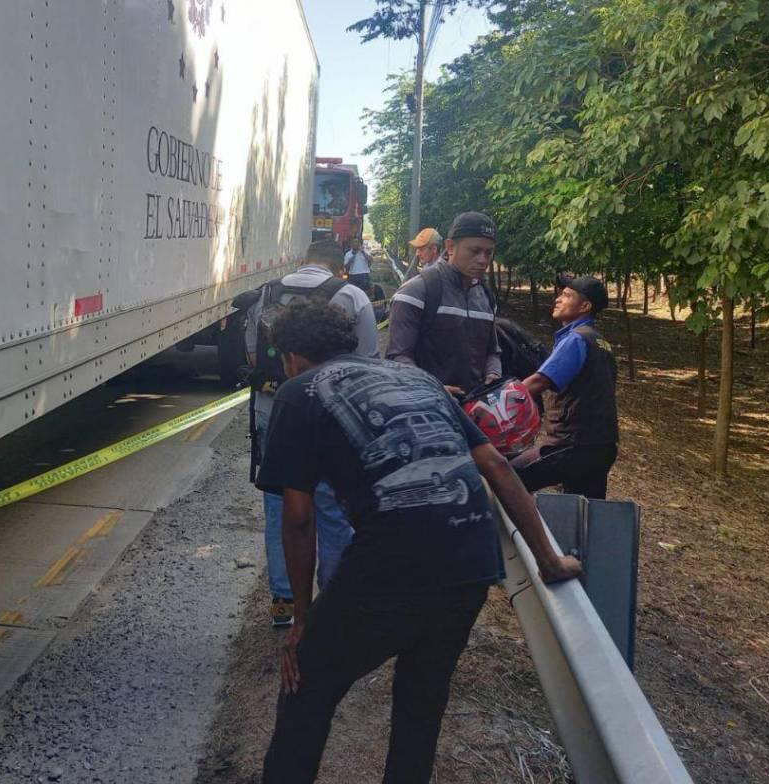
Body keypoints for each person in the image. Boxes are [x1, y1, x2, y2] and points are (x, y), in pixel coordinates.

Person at [256, 301, 582, 783]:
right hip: (472, 564)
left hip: (388, 567)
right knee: (420, 706)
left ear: (291, 357)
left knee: (306, 687)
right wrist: (549, 560)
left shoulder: (298, 391)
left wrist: (303, 619)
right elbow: (495, 465)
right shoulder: (420, 380)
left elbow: (299, 518)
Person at [244, 240, 380, 626]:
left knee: (279, 505)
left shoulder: (266, 293)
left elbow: (253, 357)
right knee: (333, 507)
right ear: (340, 269)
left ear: (302, 263)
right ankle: (332, 599)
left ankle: (283, 601)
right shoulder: (353, 297)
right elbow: (368, 362)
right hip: (334, 418)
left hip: (274, 410)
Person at [515, 275, 619, 499]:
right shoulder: (602, 343)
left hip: (572, 446)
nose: (558, 299)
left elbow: (539, 382)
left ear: (585, 306)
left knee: (507, 477)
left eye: (567, 295)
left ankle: (520, 533)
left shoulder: (576, 340)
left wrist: (502, 401)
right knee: (585, 511)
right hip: (602, 446)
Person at [386, 212, 500, 396]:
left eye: (488, 253)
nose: (483, 260)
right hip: (428, 411)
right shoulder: (415, 292)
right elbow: (397, 357)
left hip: (475, 412)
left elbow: (492, 351)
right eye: (475, 251)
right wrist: (432, 388)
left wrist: (494, 372)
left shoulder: (486, 296)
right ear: (450, 247)